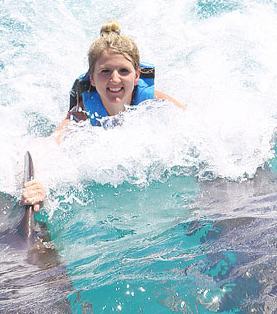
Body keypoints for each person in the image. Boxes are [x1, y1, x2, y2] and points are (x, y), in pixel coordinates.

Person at [22, 21, 184, 211]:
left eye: (124, 71)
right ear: (92, 77)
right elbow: (51, 145)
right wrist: (39, 184)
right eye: (105, 71)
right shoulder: (82, 114)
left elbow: (191, 123)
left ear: (137, 75)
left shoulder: (154, 102)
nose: (114, 79)